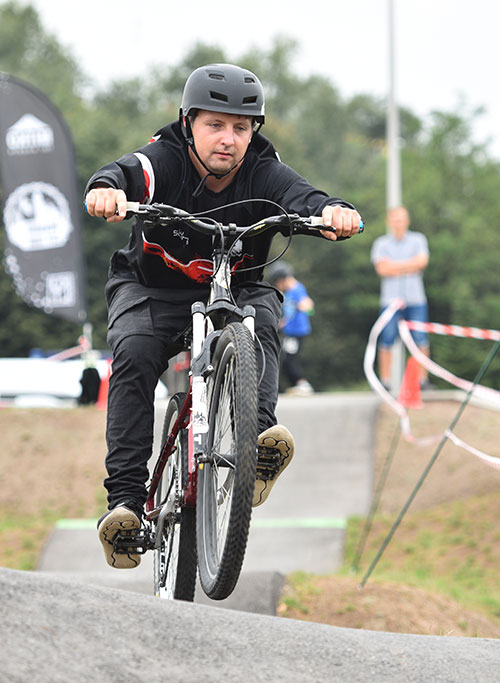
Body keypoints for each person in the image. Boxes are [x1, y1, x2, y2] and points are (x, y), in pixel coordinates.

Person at [84, 63, 362, 569]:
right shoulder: (164, 159)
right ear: (189, 123)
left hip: (237, 287)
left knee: (261, 320)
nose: (228, 139)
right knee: (134, 353)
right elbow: (126, 173)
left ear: (254, 131)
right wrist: (106, 189)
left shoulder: (263, 169)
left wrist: (334, 213)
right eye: (215, 125)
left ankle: (257, 446)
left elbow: (307, 198)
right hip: (152, 288)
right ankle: (124, 505)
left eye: (241, 127)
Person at [370, 205, 431, 389]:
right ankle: (386, 381)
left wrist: (394, 266)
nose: (398, 223)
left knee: (420, 339)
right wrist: (409, 265)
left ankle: (422, 380)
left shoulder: (418, 239)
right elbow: (382, 269)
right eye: (395, 219)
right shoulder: (381, 243)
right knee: (386, 340)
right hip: (390, 300)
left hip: (416, 298)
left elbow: (422, 262)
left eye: (401, 219)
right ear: (389, 221)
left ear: (407, 221)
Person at [269, 262, 315, 396]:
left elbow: (309, 305)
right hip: (290, 330)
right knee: (286, 358)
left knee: (290, 358)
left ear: (281, 279)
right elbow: (290, 313)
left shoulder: (297, 289)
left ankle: (302, 384)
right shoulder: (288, 292)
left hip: (297, 332)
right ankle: (298, 384)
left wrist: (305, 307)